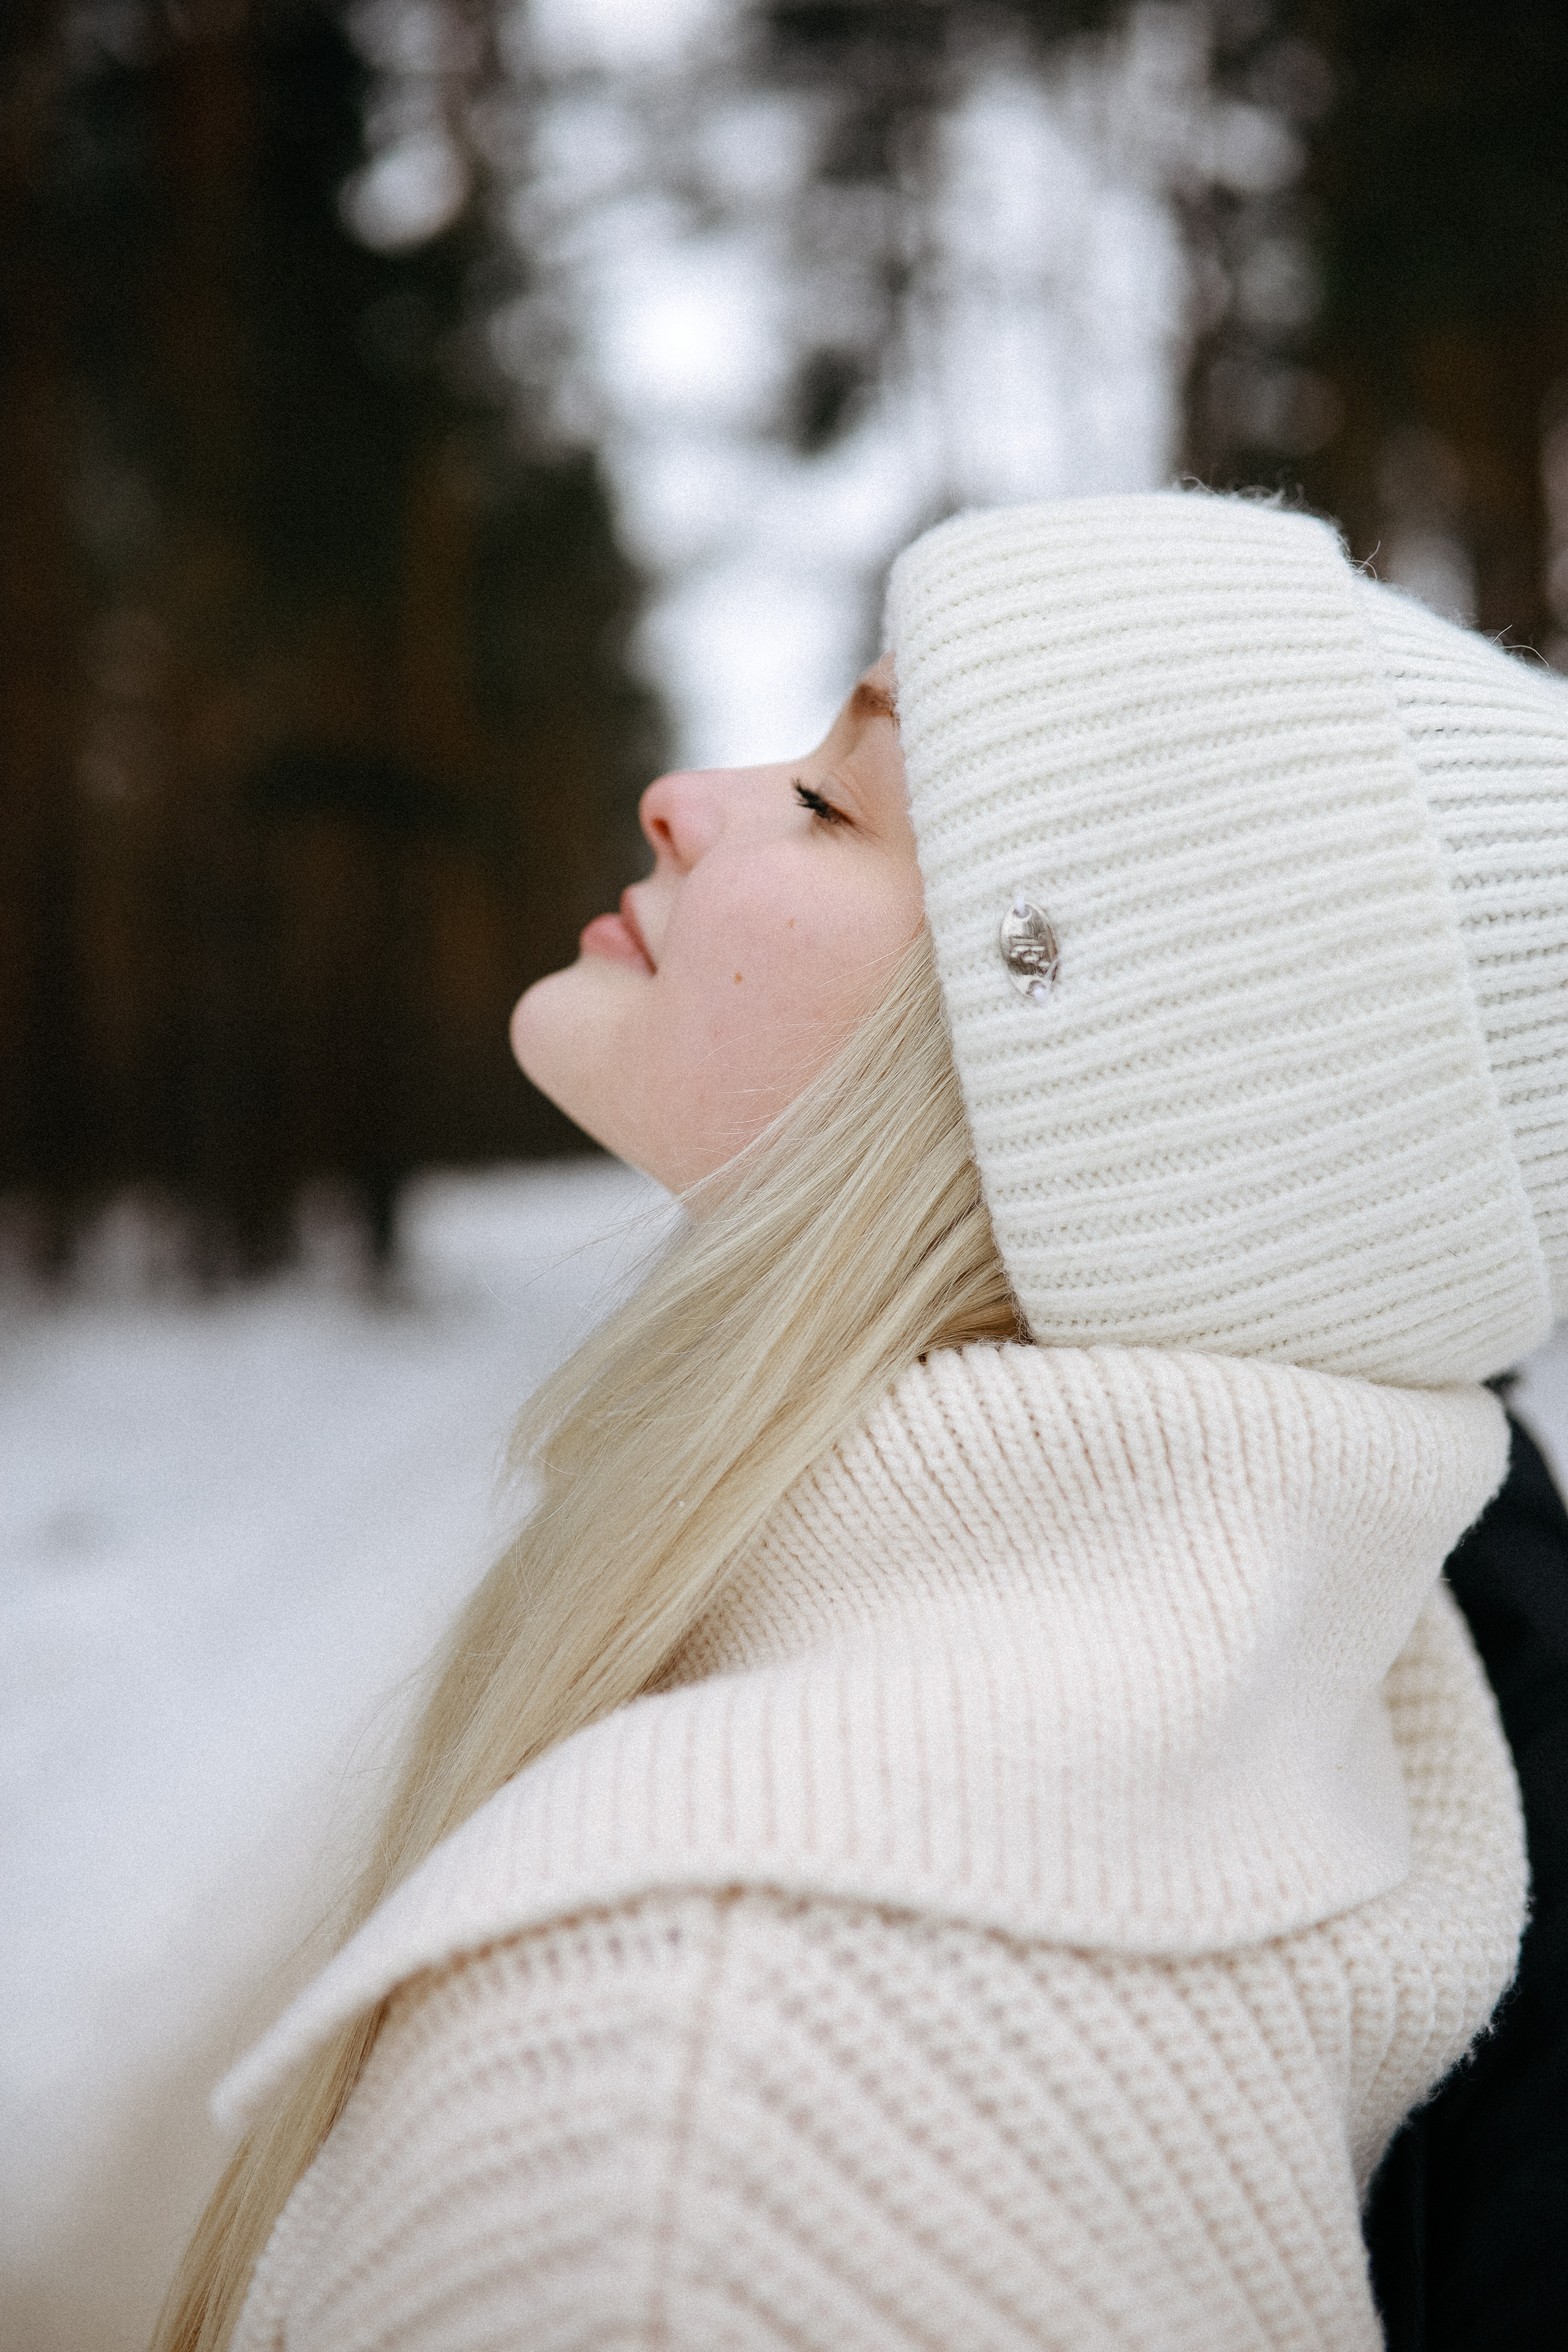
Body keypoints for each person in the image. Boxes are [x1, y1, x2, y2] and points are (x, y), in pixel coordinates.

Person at [154, 492, 1568, 2351]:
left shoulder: (696, 2147)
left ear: (1108, 1104)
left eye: (833, 803)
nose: (686, 795)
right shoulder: (1355, 1685)